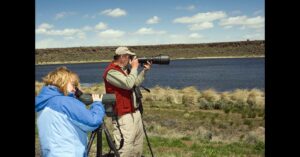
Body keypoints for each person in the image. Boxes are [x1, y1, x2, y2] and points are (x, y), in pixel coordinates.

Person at [35, 66, 106, 157]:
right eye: (73, 85)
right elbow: (92, 122)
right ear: (63, 81)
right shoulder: (65, 102)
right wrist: (97, 104)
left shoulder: (43, 102)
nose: (74, 89)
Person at [102, 46, 152, 157]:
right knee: (126, 147)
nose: (130, 59)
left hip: (135, 111)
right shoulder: (111, 72)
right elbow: (128, 84)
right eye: (128, 56)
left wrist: (144, 71)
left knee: (137, 145)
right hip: (123, 115)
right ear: (121, 57)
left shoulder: (125, 70)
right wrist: (134, 67)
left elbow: (135, 83)